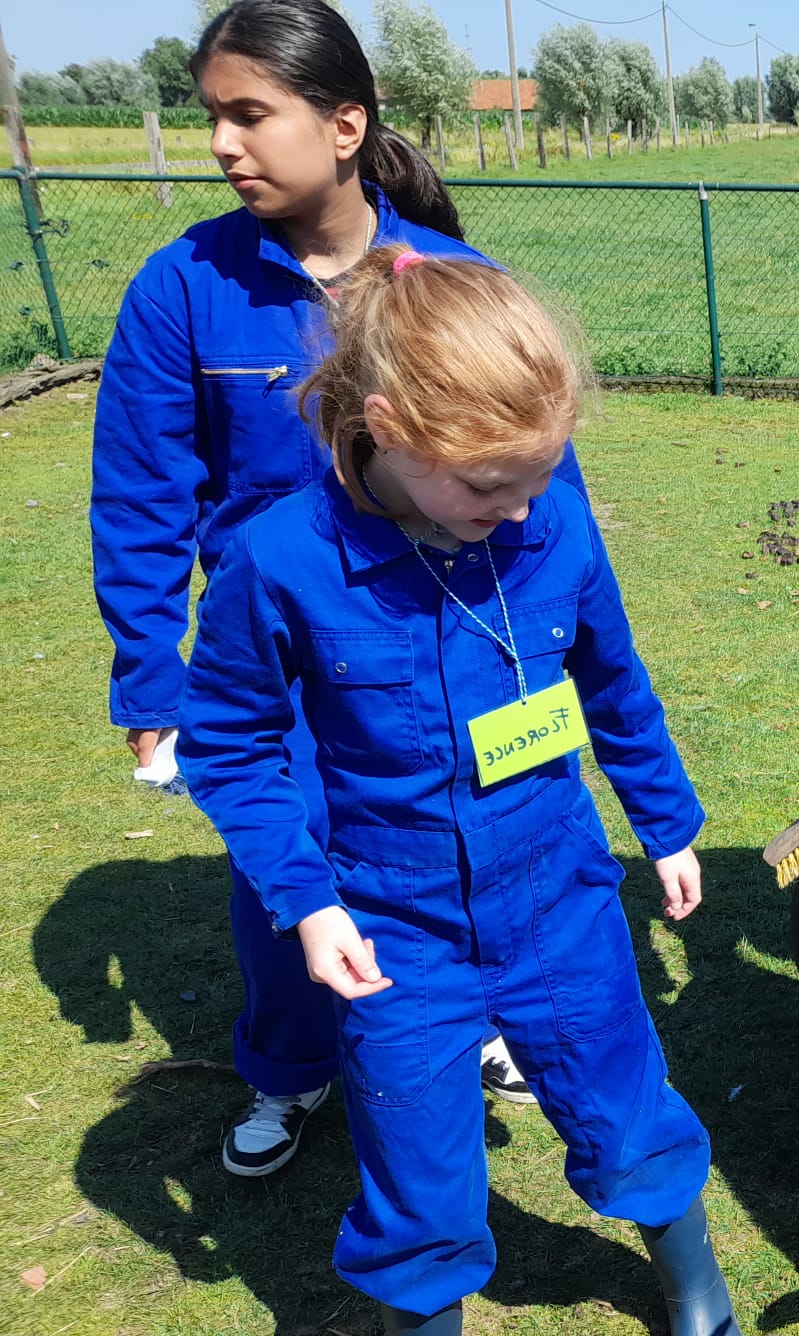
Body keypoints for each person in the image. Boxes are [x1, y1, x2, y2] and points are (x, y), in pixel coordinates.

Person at [178, 248, 748, 1336]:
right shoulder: (277, 562)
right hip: (393, 930)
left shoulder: (548, 523)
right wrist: (305, 900)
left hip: (559, 900)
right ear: (389, 428)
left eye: (541, 479)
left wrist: (665, 823)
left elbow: (613, 680)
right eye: (492, 485)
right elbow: (231, 745)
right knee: (419, 1162)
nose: (524, 511)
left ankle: (692, 1277)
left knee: (622, 1100)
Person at [90, 0, 538, 1179]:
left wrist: (544, 643)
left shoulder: (453, 279)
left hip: (441, 634)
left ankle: (470, 1016)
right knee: (283, 869)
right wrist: (149, 677)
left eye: (250, 114)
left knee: (457, 833)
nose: (222, 144)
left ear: (344, 125)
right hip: (271, 656)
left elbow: (535, 469)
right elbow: (140, 497)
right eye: (213, 117)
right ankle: (290, 1070)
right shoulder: (182, 289)